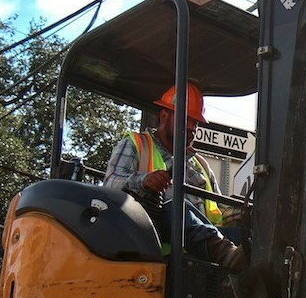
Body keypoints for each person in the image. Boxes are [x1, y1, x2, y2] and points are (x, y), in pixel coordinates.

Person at [104, 83, 245, 272]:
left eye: (195, 122)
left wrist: (250, 213)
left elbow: (221, 209)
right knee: (176, 205)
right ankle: (226, 254)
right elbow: (110, 183)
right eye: (186, 119)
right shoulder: (138, 145)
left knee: (252, 238)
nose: (192, 127)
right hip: (160, 242)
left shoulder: (200, 164)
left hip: (207, 240)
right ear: (164, 116)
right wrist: (143, 180)